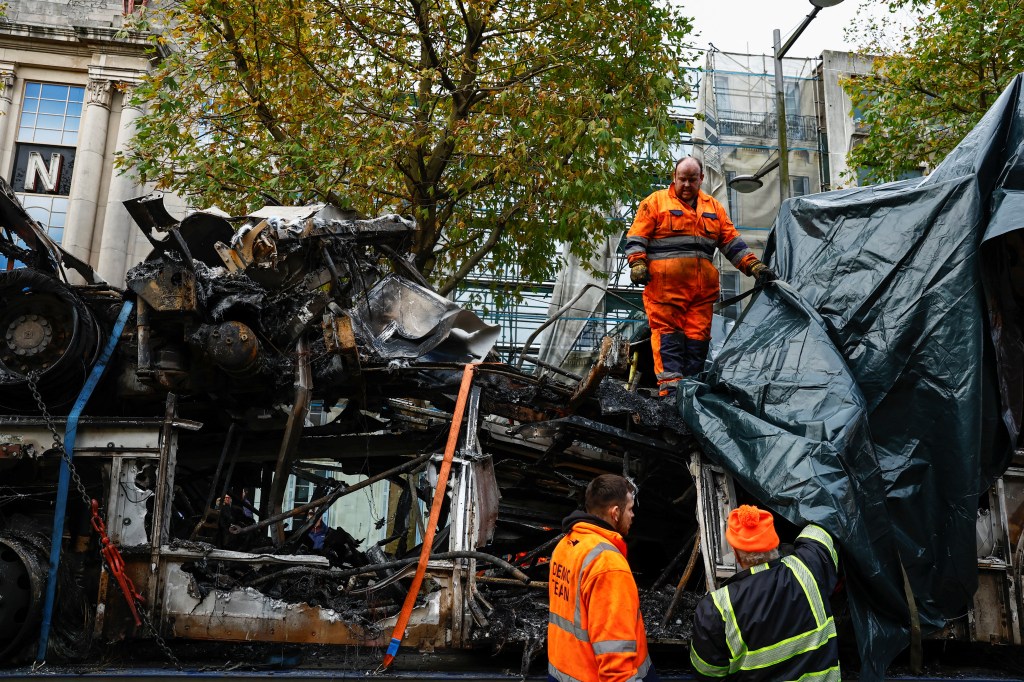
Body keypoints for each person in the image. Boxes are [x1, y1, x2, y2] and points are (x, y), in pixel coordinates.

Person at [625, 157, 777, 397]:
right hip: (665, 291)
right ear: (673, 178)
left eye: (691, 180)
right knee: (668, 338)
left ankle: (691, 392)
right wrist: (637, 263)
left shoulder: (713, 208)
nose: (686, 184)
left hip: (700, 293)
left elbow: (731, 242)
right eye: (682, 179)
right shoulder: (655, 202)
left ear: (701, 179)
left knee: (698, 342)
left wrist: (753, 266)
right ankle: (671, 393)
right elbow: (636, 237)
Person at [689, 505, 840, 681]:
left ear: (737, 556)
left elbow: (706, 674)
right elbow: (827, 519)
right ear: (775, 543)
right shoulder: (809, 567)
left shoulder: (716, 609)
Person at [548, 474, 658, 682]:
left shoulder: (566, 545)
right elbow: (615, 661)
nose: (633, 515)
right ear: (615, 513)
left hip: (564, 671)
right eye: (630, 509)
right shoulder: (609, 565)